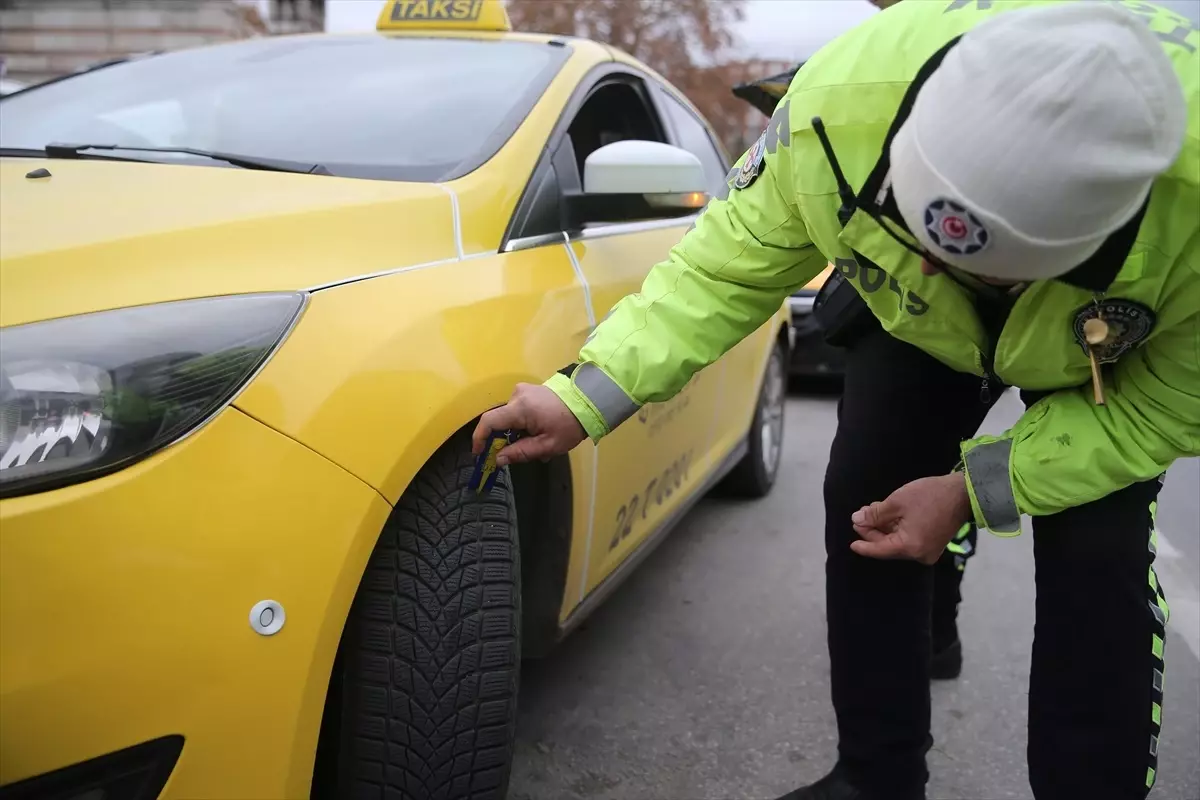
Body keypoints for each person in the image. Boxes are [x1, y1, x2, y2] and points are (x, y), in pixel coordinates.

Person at [473, 1, 1199, 798]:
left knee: (1100, 552)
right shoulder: (834, 110)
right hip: (915, 334)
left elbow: (1162, 409)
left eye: (982, 268)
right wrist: (581, 399)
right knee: (866, 501)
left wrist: (973, 491)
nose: (927, 269)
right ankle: (874, 778)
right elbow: (723, 269)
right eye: (915, 232)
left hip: (1109, 360)